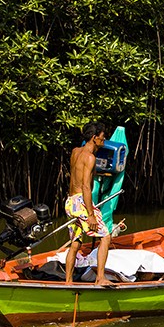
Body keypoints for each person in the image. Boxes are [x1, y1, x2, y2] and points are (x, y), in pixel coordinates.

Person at [64, 122, 113, 285]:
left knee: (75, 243)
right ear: (94, 137)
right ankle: (100, 278)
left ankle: (68, 282)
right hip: (81, 202)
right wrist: (91, 215)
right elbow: (85, 186)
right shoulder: (90, 157)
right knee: (106, 236)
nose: (104, 140)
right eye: (102, 137)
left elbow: (78, 172)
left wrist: (95, 172)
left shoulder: (75, 152)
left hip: (70, 202)